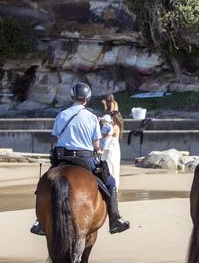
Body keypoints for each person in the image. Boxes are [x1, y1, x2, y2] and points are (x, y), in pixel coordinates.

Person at [30, 83, 130, 235]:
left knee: (43, 184)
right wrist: (99, 148)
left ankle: (40, 222)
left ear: (72, 96)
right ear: (87, 98)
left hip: (63, 157)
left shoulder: (61, 114)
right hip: (84, 159)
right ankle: (115, 219)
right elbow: (97, 145)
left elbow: (55, 138)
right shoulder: (91, 117)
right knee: (110, 182)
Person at [101, 111, 123, 189]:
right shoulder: (113, 126)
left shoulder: (115, 127)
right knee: (110, 166)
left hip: (112, 149)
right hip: (111, 148)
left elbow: (107, 135)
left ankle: (113, 187)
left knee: (111, 167)